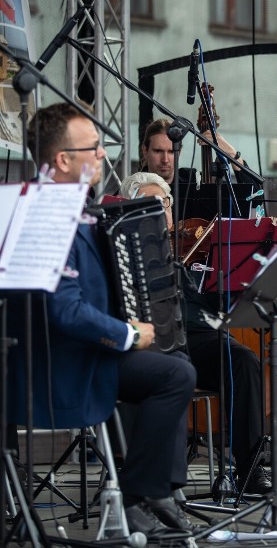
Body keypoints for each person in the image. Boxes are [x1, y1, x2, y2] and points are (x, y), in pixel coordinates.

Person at [6, 103, 198, 539]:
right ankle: (139, 495)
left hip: (85, 351)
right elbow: (63, 309)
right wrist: (127, 333)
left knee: (175, 366)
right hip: (63, 364)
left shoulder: (76, 209)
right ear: (61, 160)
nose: (102, 156)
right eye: (92, 148)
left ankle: (148, 493)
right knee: (173, 375)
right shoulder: (45, 214)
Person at [118, 171, 271, 495]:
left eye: (166, 204)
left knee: (243, 360)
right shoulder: (124, 251)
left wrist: (230, 279)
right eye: (151, 204)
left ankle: (250, 469)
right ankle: (153, 478)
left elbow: (218, 302)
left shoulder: (191, 251)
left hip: (200, 335)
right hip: (156, 338)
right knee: (169, 367)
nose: (161, 212)